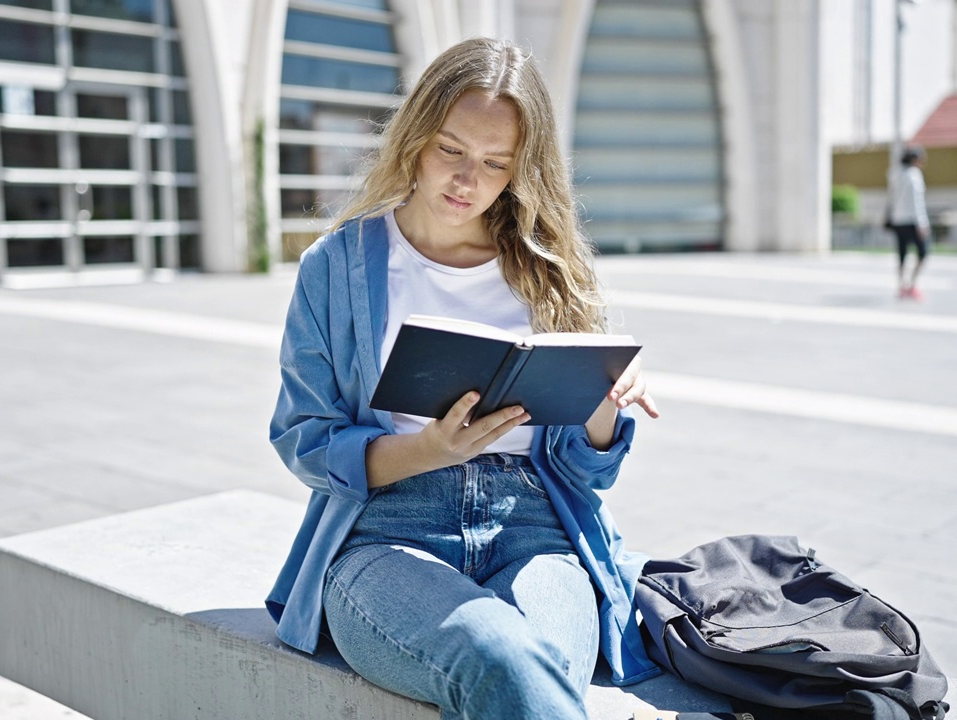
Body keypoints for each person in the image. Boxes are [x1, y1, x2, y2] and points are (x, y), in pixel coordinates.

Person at [265, 37, 662, 719]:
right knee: (499, 654)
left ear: (519, 171)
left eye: (494, 163)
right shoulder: (336, 267)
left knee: (537, 665)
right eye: (450, 150)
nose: (466, 180)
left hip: (538, 529)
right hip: (388, 534)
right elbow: (303, 438)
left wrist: (602, 400)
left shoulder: (552, 273)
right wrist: (429, 450)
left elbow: (590, 475)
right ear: (417, 136)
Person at [888, 146, 931, 300]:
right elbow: (917, 202)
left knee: (902, 254)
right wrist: (922, 223)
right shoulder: (914, 175)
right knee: (923, 252)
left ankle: (901, 286)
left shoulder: (896, 174)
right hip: (912, 221)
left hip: (898, 220)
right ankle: (912, 285)